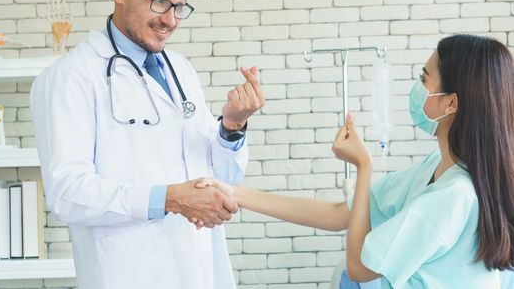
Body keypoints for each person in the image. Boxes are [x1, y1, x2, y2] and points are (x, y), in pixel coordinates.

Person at [30, 0, 264, 289]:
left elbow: (219, 175)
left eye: (179, 7)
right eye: (160, 2)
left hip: (200, 269)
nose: (170, 20)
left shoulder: (180, 70)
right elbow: (68, 193)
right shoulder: (70, 77)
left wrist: (232, 126)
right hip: (130, 273)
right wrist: (170, 199)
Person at [195, 34, 514, 288]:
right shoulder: (435, 168)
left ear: (452, 102)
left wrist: (364, 166)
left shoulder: (454, 195)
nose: (417, 88)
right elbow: (339, 215)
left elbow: (360, 268)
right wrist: (235, 193)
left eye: (424, 78)